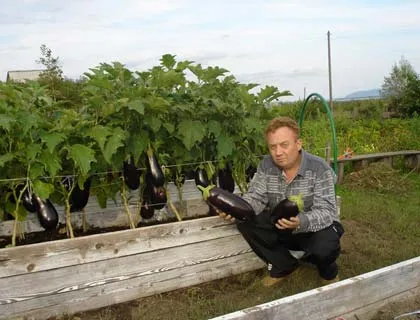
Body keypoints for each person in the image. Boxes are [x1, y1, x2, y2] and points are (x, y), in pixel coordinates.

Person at [219, 116, 344, 287]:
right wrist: (236, 210)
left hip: (314, 229)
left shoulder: (319, 169)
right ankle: (284, 265)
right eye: (273, 147)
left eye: (284, 145)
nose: (278, 152)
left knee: (325, 248)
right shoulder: (266, 165)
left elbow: (327, 211)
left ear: (298, 144)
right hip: (282, 226)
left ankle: (328, 272)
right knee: (245, 221)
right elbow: (256, 197)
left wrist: (301, 221)